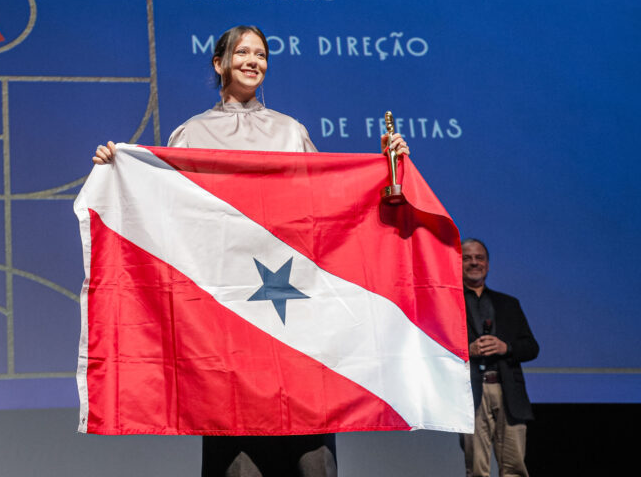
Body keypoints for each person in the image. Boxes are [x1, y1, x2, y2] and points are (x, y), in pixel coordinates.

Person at [93, 25, 408, 477]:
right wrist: (117, 169)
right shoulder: (194, 133)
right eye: (242, 52)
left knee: (311, 455)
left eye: (260, 54)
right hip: (227, 315)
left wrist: (383, 172)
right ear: (219, 63)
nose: (253, 61)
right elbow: (162, 206)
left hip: (292, 313)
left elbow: (328, 208)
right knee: (237, 450)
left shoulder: (289, 131)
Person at [460, 238, 539, 477]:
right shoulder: (448, 303)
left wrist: (506, 347)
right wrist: (467, 350)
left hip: (508, 393)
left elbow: (531, 348)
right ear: (457, 263)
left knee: (514, 468)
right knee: (476, 470)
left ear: (488, 264)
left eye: (479, 258)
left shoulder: (508, 303)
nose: (474, 262)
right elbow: (436, 348)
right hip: (471, 392)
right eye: (467, 258)